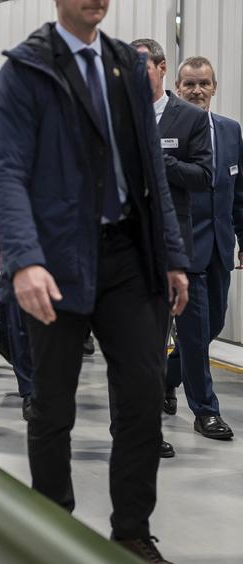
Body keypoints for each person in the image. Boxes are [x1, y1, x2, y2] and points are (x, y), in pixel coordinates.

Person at [0, 0, 190, 564]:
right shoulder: (27, 69)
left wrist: (172, 255)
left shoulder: (125, 64)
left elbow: (150, 170)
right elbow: (5, 171)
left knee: (143, 397)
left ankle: (131, 532)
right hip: (57, 258)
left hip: (129, 256)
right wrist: (24, 259)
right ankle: (55, 533)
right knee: (52, 405)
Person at [130, 38, 213, 458]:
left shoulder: (189, 119)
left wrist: (159, 161)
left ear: (162, 68)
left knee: (154, 343)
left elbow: (203, 176)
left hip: (166, 248)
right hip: (120, 248)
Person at [164, 56, 243, 443]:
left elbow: (238, 192)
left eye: (204, 84)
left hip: (219, 247)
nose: (197, 90)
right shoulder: (166, 131)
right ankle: (206, 411)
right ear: (178, 88)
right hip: (184, 248)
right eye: (190, 84)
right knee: (195, 332)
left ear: (214, 87)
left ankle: (165, 378)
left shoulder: (230, 130)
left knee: (211, 325)